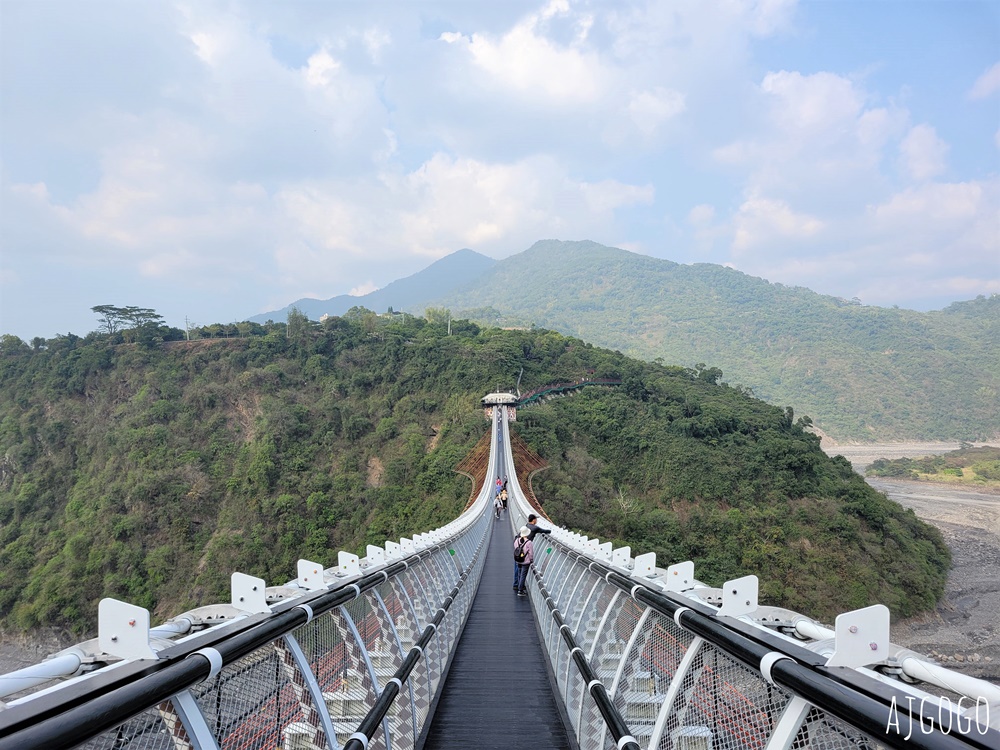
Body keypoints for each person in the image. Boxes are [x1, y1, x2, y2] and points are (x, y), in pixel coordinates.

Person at [513, 526, 534, 597]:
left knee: (519, 574)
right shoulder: (529, 542)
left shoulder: (517, 540)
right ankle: (520, 590)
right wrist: (531, 560)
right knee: (523, 575)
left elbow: (516, 549)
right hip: (526, 561)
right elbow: (530, 553)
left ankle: (519, 586)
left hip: (518, 560)